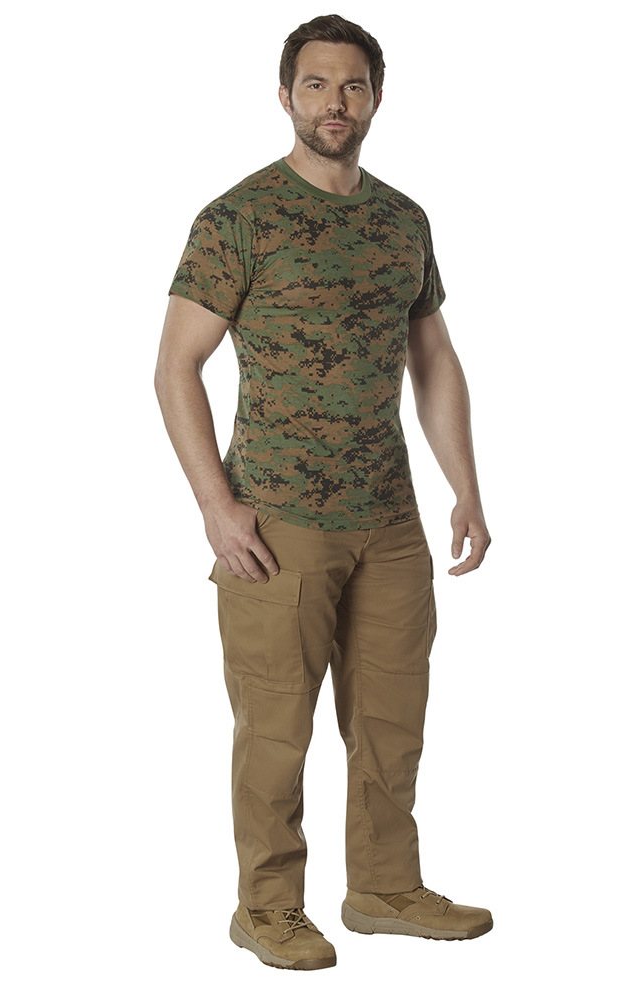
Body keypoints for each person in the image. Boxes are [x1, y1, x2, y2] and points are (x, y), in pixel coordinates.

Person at [155, 14, 493, 971]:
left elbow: (433, 356)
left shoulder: (403, 221)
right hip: (277, 522)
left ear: (376, 98)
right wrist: (216, 507)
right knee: (275, 729)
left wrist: (466, 488)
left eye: (352, 86)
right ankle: (267, 908)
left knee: (392, 722)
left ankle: (384, 890)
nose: (334, 103)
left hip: (390, 520)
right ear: (284, 95)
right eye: (315, 84)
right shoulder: (238, 218)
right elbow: (175, 367)